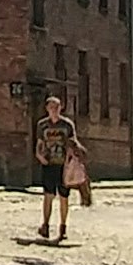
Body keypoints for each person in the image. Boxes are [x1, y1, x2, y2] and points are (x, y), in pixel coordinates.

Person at [31, 95, 83, 242]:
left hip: (64, 165)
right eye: (52, 107)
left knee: (64, 197)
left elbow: (74, 142)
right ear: (47, 109)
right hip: (49, 164)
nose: (55, 110)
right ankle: (45, 225)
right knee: (48, 195)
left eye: (57, 107)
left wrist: (73, 155)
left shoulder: (67, 125)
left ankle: (63, 227)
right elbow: (39, 144)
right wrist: (40, 156)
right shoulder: (42, 125)